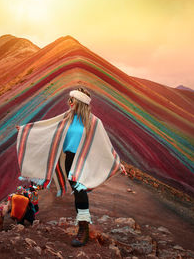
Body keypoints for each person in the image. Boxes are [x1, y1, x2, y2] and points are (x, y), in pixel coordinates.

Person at [16, 86, 126, 247]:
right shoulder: (67, 117)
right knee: (77, 192)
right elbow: (48, 128)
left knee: (80, 192)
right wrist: (26, 131)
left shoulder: (94, 123)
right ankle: (82, 226)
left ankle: (83, 229)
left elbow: (103, 145)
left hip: (83, 161)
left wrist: (116, 163)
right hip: (69, 160)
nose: (69, 102)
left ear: (80, 102)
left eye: (72, 100)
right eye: (69, 99)